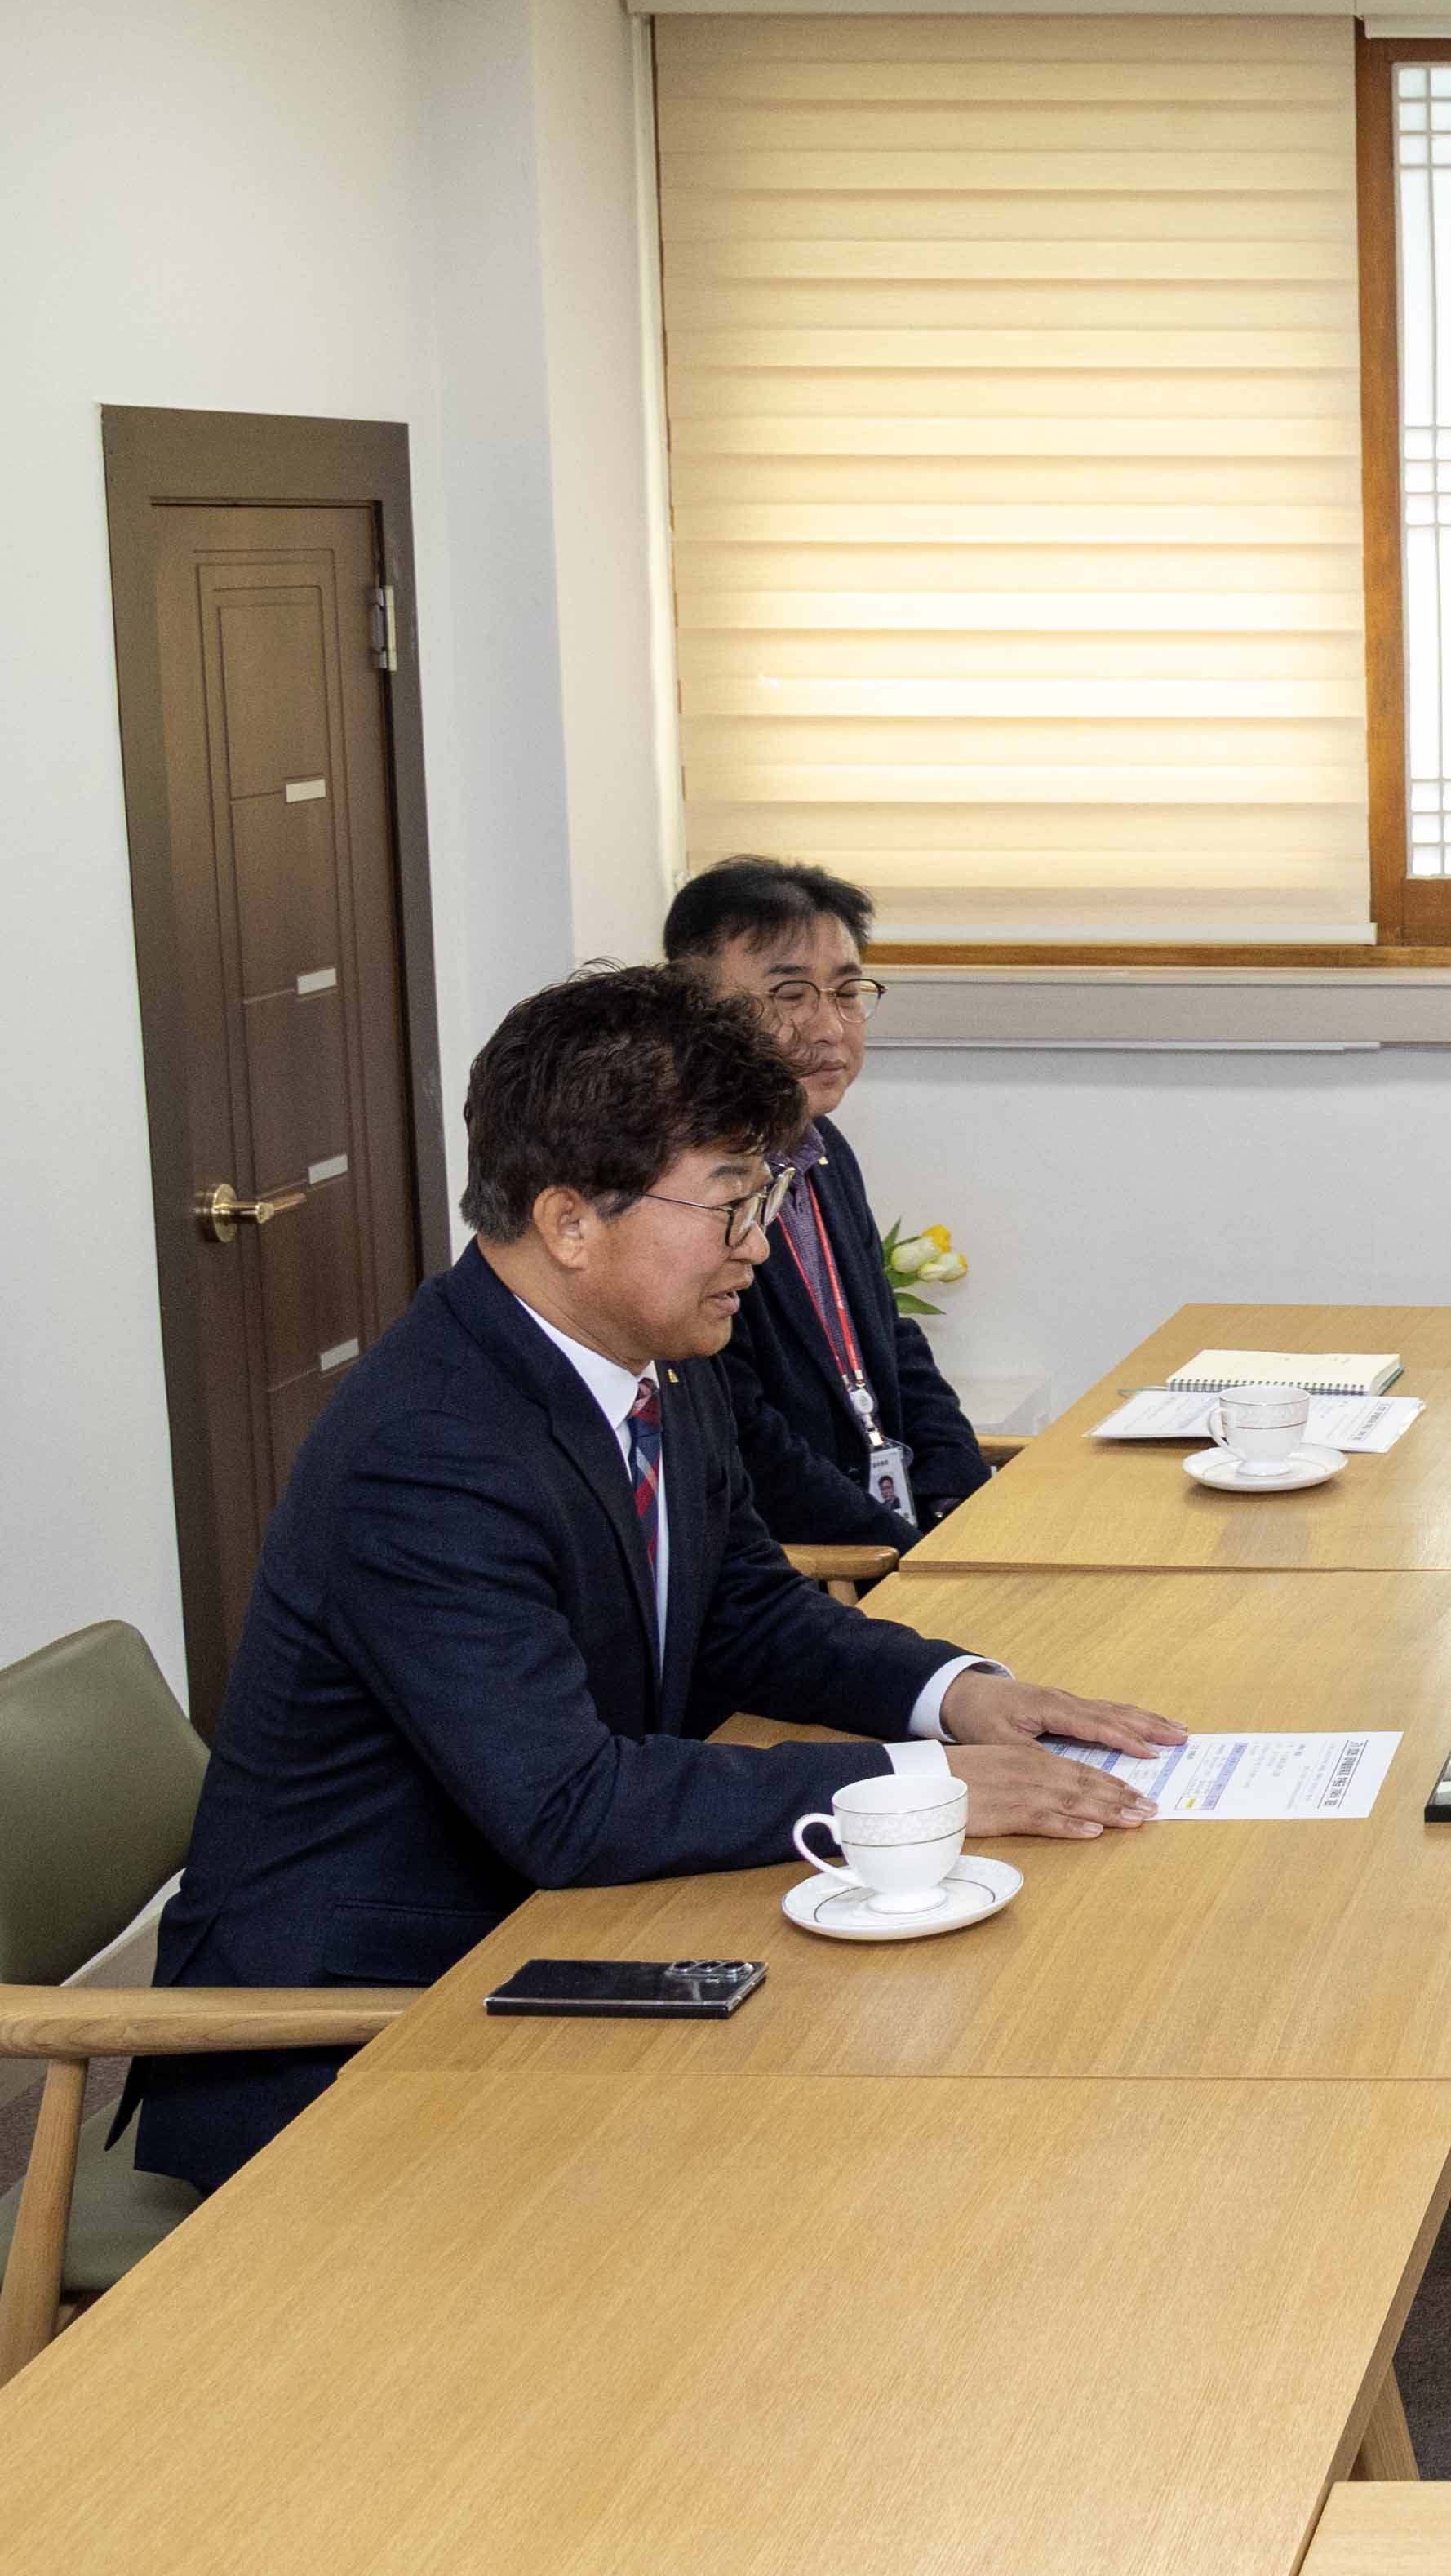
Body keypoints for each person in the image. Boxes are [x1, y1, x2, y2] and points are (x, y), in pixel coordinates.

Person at [139, 966, 1183, 2191]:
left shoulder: (655, 1361)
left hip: (552, 1936)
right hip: (360, 2022)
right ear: (571, 1220)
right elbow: (568, 1806)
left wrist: (955, 1695)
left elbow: (742, 1606)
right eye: (733, 1200)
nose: (763, 1243)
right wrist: (928, 1782)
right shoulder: (425, 1449)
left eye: (772, 1192)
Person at [663, 855, 988, 1554]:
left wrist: (957, 1497)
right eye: (789, 996)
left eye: (846, 993)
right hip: (812, 1571)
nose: (829, 1029)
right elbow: (739, 1431)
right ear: (693, 1005)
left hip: (891, 1543)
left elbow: (888, 1336)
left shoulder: (822, 1147)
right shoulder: (684, 1185)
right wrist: (900, 1550)